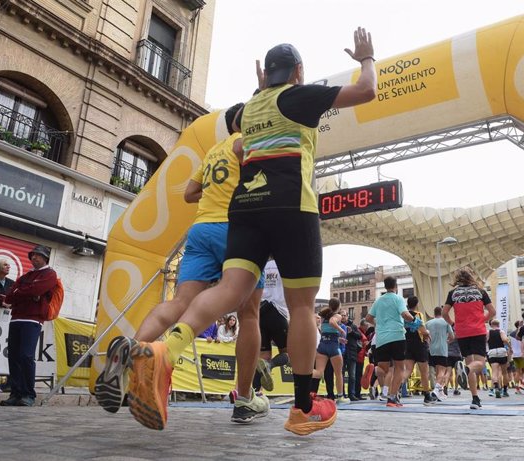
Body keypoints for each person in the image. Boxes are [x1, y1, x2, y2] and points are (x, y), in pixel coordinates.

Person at [123, 27, 376, 435]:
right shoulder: (300, 95)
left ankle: (164, 352)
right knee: (300, 308)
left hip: (244, 210)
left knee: (227, 291)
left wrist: (260, 92)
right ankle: (301, 409)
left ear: (266, 75)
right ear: (298, 70)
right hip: (292, 206)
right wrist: (366, 57)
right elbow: (366, 90)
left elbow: (249, 125)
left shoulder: (246, 110)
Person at [95, 103, 269, 426]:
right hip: (236, 229)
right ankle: (245, 398)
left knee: (180, 302)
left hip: (201, 230)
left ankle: (135, 348)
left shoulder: (214, 151)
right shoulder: (247, 143)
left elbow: (190, 193)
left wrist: (216, 188)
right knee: (250, 312)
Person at [0, 245, 57, 407]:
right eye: (33, 255)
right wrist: (25, 292)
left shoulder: (49, 274)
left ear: (45, 258)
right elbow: (11, 295)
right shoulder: (27, 275)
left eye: (38, 255)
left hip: (32, 319)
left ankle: (28, 394)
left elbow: (35, 290)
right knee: (14, 356)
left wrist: (21, 292)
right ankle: (15, 393)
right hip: (16, 318)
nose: (34, 258)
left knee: (26, 356)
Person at [443, 267, 495, 410]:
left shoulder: (453, 293)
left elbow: (444, 313)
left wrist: (453, 324)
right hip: (477, 330)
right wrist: (482, 320)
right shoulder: (480, 292)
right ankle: (465, 370)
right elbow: (492, 311)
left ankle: (475, 398)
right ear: (472, 276)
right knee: (480, 363)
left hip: (462, 332)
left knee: (470, 362)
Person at [366, 276, 414, 407]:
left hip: (381, 338)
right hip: (397, 336)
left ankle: (374, 370)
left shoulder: (378, 301)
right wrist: (414, 320)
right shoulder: (398, 298)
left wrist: (379, 324)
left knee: (385, 369)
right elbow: (405, 315)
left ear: (385, 286)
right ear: (396, 286)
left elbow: (368, 317)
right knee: (399, 368)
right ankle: (392, 397)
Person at [254, 258, 290, 394]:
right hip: (278, 311)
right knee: (288, 354)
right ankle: (270, 365)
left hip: (261, 310)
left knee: (262, 356)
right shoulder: (285, 264)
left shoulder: (262, 265)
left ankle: (256, 393)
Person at [310, 298, 348, 403]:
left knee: (318, 372)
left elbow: (326, 331)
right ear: (339, 306)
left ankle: (302, 372)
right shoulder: (337, 316)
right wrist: (341, 330)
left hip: (322, 345)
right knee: (338, 373)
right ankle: (340, 397)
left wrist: (338, 338)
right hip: (333, 347)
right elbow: (332, 322)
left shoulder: (323, 316)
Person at [402, 296, 434, 405]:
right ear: (416, 304)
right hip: (419, 346)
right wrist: (428, 333)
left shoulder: (404, 316)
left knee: (407, 370)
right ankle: (427, 396)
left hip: (407, 345)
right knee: (424, 372)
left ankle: (395, 390)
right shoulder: (418, 315)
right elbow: (423, 331)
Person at [426, 306, 454, 401]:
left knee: (437, 371)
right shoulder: (446, 322)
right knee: (442, 371)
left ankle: (440, 393)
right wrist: (447, 341)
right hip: (442, 349)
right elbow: (452, 336)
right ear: (441, 313)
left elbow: (425, 337)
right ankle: (436, 390)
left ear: (434, 313)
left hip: (431, 349)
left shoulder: (428, 323)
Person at [486, 319, 510, 398]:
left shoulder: (488, 332)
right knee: (504, 372)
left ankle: (496, 387)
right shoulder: (501, 331)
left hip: (492, 352)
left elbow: (485, 341)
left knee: (494, 372)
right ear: (498, 325)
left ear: (491, 325)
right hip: (501, 352)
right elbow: (505, 339)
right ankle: (505, 390)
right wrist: (510, 347)